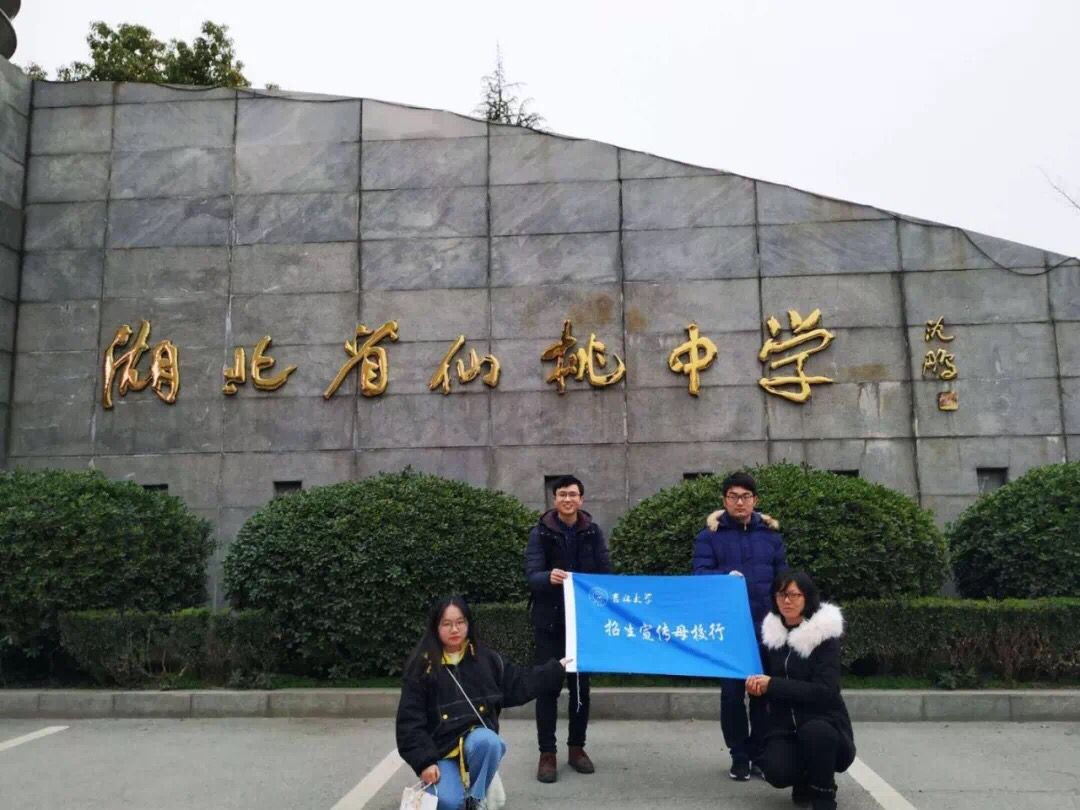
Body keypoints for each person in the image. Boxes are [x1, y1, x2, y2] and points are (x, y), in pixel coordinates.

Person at [395, 596, 568, 810]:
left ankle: (476, 798)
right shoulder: (422, 667)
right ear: (435, 627)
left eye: (460, 622)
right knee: (449, 802)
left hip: (475, 744)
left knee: (490, 742)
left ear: (468, 624)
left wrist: (555, 670)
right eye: (447, 624)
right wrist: (424, 763)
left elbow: (519, 683)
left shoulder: (486, 659)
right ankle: (448, 787)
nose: (454, 629)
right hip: (440, 751)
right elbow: (409, 723)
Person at [692, 470, 787, 781]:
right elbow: (699, 575)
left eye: (745, 496)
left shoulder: (771, 537)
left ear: (755, 500)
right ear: (724, 500)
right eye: (733, 496)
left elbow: (783, 580)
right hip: (729, 630)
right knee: (732, 696)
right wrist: (723, 578)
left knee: (762, 692)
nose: (740, 502)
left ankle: (759, 753)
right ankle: (739, 755)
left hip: (767, 627)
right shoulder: (709, 536)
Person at [524, 474, 611, 783]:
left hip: (582, 625)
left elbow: (605, 572)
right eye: (562, 494)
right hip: (549, 623)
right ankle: (547, 753)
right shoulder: (540, 532)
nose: (568, 499)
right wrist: (548, 577)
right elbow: (531, 574)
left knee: (580, 690)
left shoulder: (593, 532)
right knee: (547, 688)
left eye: (573, 494)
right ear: (555, 499)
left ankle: (577, 748)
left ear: (581, 499)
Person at [746, 571, 856, 810]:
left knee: (816, 733)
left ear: (807, 597)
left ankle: (824, 793)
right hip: (784, 726)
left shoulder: (824, 637)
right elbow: (763, 683)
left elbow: (826, 691)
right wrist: (756, 688)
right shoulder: (771, 637)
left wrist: (773, 685)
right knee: (776, 771)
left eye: (794, 595)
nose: (787, 601)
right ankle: (804, 779)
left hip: (825, 723)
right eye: (781, 595)